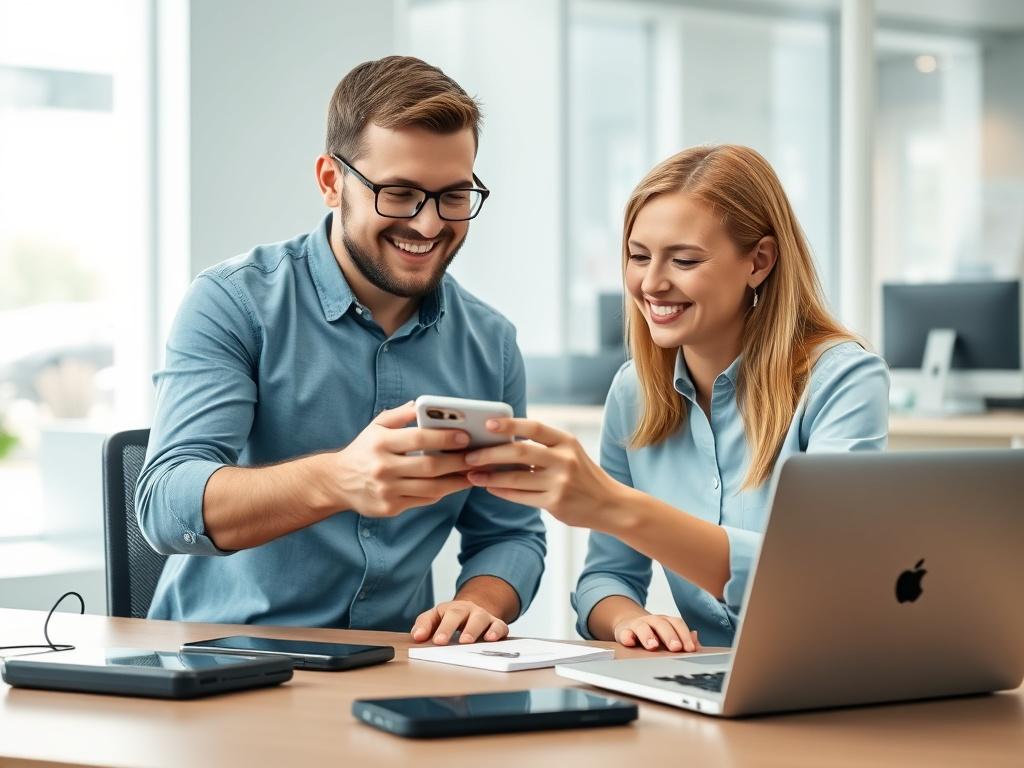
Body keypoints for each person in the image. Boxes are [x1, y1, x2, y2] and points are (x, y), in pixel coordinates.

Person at [135, 56, 545, 646]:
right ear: (332, 181)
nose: (428, 225)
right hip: (218, 661)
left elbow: (510, 531)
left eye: (454, 196)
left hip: (393, 669)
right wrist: (339, 478)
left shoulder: (491, 343)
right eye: (399, 193)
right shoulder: (232, 302)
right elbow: (163, 501)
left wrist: (477, 603)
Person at [461, 144, 889, 651]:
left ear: (759, 260)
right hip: (700, 685)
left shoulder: (842, 380)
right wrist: (628, 619)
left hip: (821, 678)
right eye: (638, 257)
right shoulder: (634, 393)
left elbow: (820, 574)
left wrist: (611, 505)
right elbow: (605, 580)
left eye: (684, 260)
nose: (652, 283)